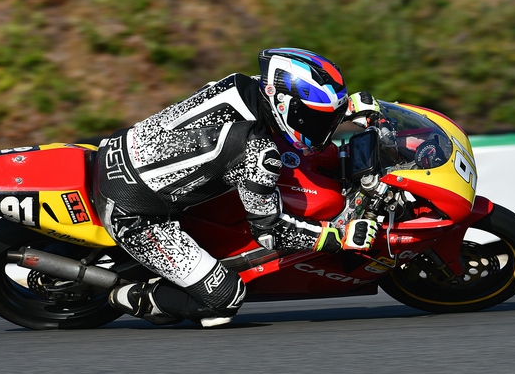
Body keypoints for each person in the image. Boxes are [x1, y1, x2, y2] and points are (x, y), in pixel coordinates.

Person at [94, 48, 380, 327]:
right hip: (134, 212)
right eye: (316, 119)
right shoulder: (258, 152)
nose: (323, 130)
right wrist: (336, 237)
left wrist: (344, 109)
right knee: (224, 298)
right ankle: (132, 295)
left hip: (121, 150)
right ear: (283, 104)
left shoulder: (243, 85)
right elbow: (270, 232)